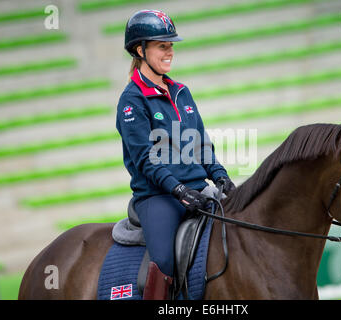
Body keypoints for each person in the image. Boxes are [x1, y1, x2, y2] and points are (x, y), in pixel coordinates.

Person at [115, 9, 235, 300]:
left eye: (171, 46)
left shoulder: (182, 92)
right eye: (161, 46)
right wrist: (178, 189)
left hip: (197, 190)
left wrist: (220, 175)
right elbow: (145, 160)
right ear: (140, 50)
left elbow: (201, 143)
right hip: (158, 197)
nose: (169, 52)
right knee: (165, 261)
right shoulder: (132, 101)